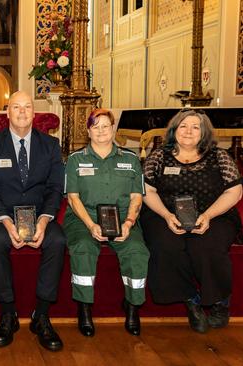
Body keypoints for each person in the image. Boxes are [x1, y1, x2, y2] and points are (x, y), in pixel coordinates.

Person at [140, 109, 243, 333]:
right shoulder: (159, 156)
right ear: (174, 129)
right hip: (163, 213)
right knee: (165, 245)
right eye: (183, 126)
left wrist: (207, 216)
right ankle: (191, 300)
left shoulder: (219, 156)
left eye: (195, 127)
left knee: (206, 245)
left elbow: (234, 192)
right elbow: (147, 191)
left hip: (214, 214)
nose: (188, 131)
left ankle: (219, 302)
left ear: (203, 132)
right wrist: (167, 216)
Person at [0, 91, 66, 351]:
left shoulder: (50, 145)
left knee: (58, 240)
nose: (22, 112)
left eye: (27, 107)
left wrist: (43, 221)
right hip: (3, 212)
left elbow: (54, 188)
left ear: (34, 112)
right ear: (7, 112)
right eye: (16, 107)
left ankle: (41, 314)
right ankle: (8, 313)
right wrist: (6, 222)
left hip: (39, 213)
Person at [63, 108, 148, 337]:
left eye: (105, 126)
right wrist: (91, 225)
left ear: (113, 129)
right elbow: (73, 198)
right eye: (95, 126)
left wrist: (129, 223)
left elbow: (136, 197)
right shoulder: (75, 160)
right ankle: (84, 309)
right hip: (83, 218)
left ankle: (132, 307)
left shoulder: (130, 160)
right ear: (88, 131)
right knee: (83, 248)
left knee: (137, 251)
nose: (101, 131)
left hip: (123, 218)